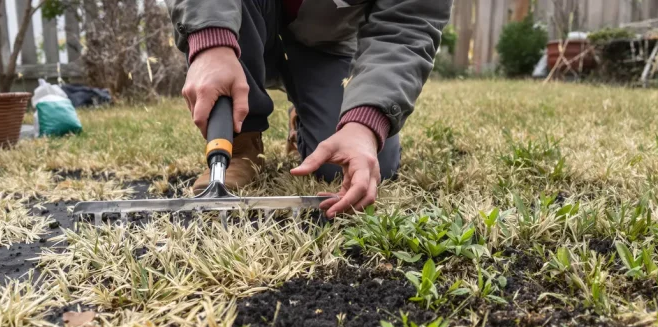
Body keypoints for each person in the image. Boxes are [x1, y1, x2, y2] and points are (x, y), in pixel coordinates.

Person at [166, 0, 452, 217]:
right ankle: (241, 142)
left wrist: (365, 123)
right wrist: (211, 38)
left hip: (328, 40)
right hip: (242, 15)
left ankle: (304, 114)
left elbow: (406, 24)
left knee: (347, 168)